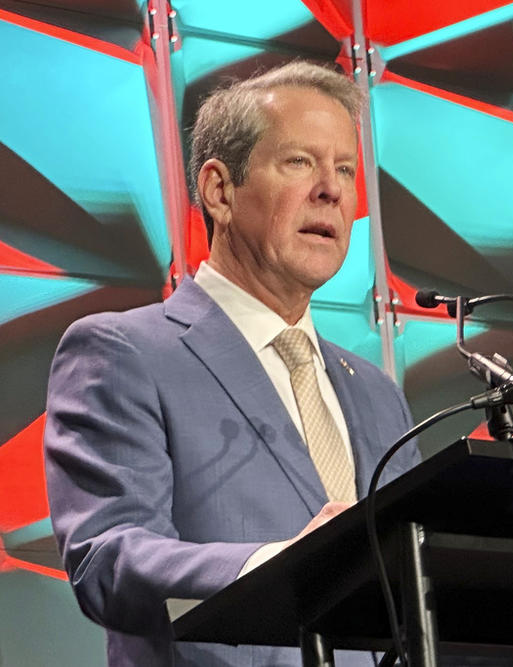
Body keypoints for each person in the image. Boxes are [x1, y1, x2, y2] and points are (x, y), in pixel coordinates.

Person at [43, 61, 419, 666]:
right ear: (219, 190)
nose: (333, 189)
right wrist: (270, 566)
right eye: (300, 162)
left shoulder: (378, 393)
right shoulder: (122, 351)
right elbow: (106, 557)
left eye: (344, 168)